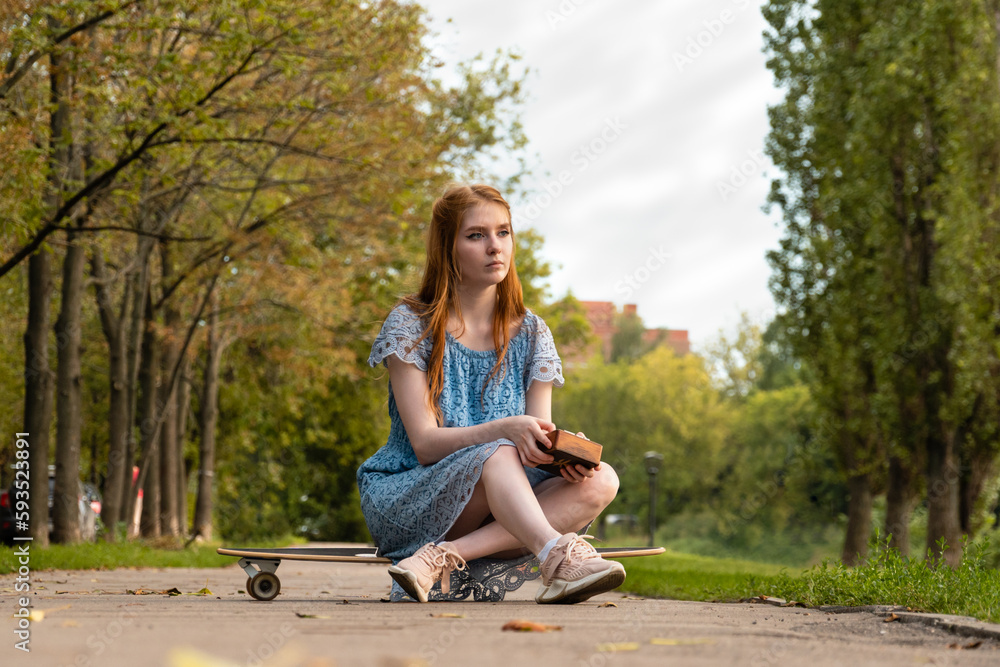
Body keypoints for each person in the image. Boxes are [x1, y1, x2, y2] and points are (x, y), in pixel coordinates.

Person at [357, 183, 624, 604]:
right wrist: (507, 430)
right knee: (497, 451)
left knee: (603, 478)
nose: (494, 247)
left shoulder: (533, 332)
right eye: (476, 235)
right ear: (448, 248)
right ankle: (557, 558)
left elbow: (535, 436)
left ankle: (444, 557)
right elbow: (425, 446)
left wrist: (561, 457)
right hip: (410, 497)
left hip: (499, 500)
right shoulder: (411, 324)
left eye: (503, 232)